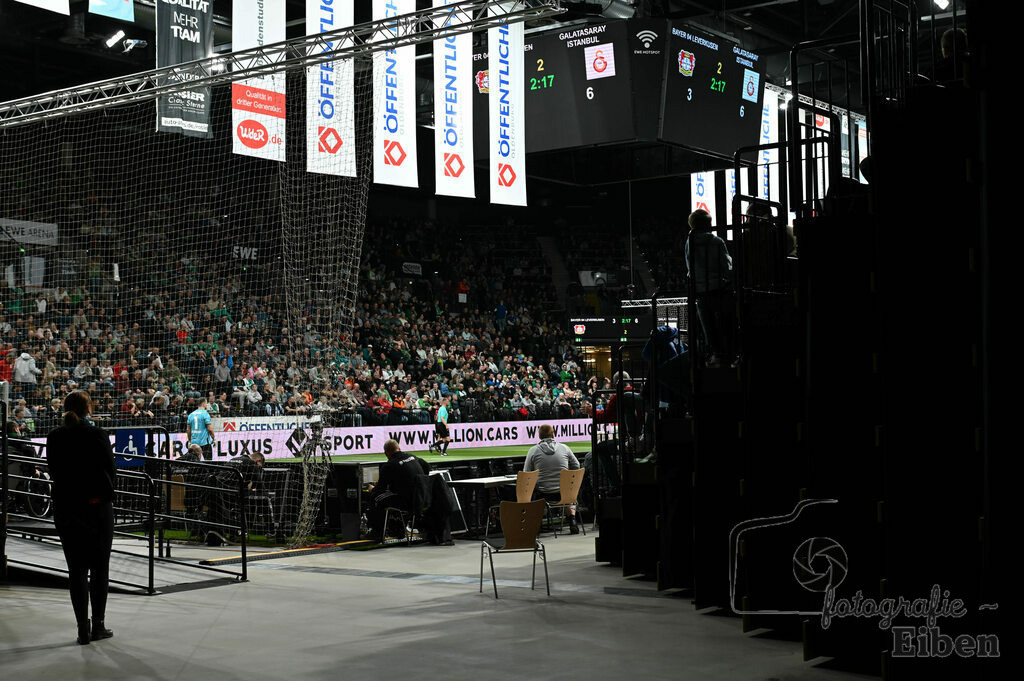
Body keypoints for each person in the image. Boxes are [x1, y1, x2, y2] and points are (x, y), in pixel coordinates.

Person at [45, 391, 116, 644]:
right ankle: (98, 625)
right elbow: (110, 468)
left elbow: (52, 469)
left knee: (76, 570)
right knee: (99, 569)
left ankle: (81, 629)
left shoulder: (55, 436)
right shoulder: (97, 434)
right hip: (96, 508)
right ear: (88, 409)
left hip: (66, 508)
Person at [684, 208, 735, 368]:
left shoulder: (689, 242)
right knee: (726, 323)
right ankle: (730, 354)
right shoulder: (717, 241)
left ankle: (714, 355)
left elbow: (689, 267)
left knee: (708, 327)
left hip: (700, 291)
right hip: (719, 289)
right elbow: (727, 267)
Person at [366, 439, 430, 541]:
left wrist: (372, 489)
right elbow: (427, 466)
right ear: (399, 448)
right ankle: (398, 527)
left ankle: (376, 533)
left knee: (376, 497)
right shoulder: (412, 457)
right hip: (424, 499)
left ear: (386, 453)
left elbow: (380, 489)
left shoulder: (389, 465)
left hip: (408, 503)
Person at [524, 423, 582, 534]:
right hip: (564, 493)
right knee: (567, 494)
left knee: (534, 492)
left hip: (543, 492)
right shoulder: (564, 448)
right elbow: (577, 466)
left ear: (540, 436)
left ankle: (534, 524)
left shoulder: (533, 450)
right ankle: (572, 520)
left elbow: (527, 473)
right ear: (553, 434)